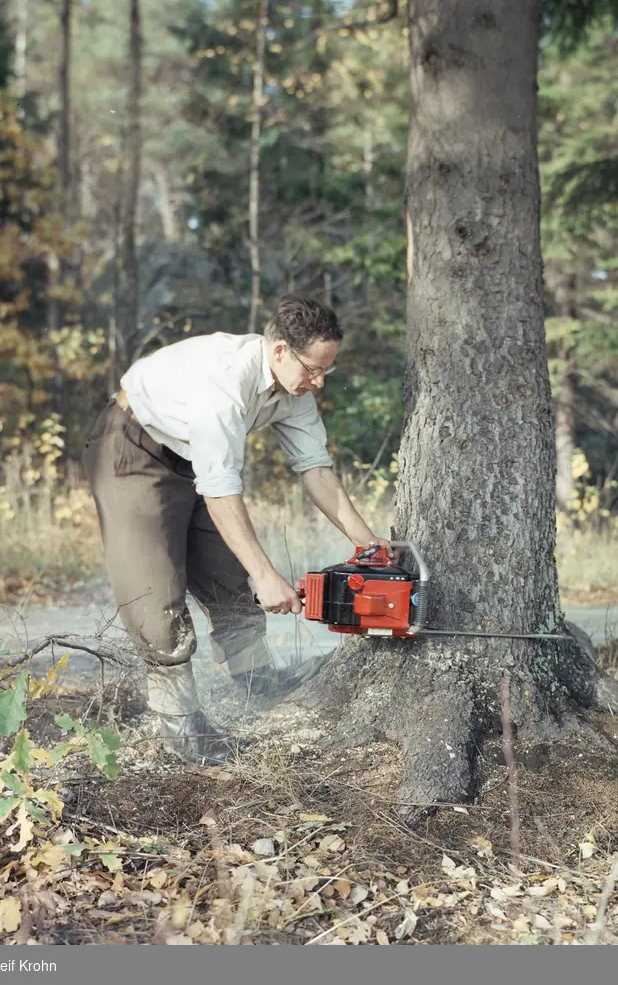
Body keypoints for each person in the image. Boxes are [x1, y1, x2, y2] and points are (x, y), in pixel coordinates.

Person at [82, 295, 391, 765]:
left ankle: (259, 689)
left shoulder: (294, 389)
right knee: (155, 596)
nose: (320, 382)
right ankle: (181, 733)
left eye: (329, 369)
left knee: (231, 581)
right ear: (281, 351)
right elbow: (222, 489)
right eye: (313, 369)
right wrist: (269, 576)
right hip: (132, 450)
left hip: (193, 459)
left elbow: (316, 470)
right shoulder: (224, 382)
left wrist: (369, 545)